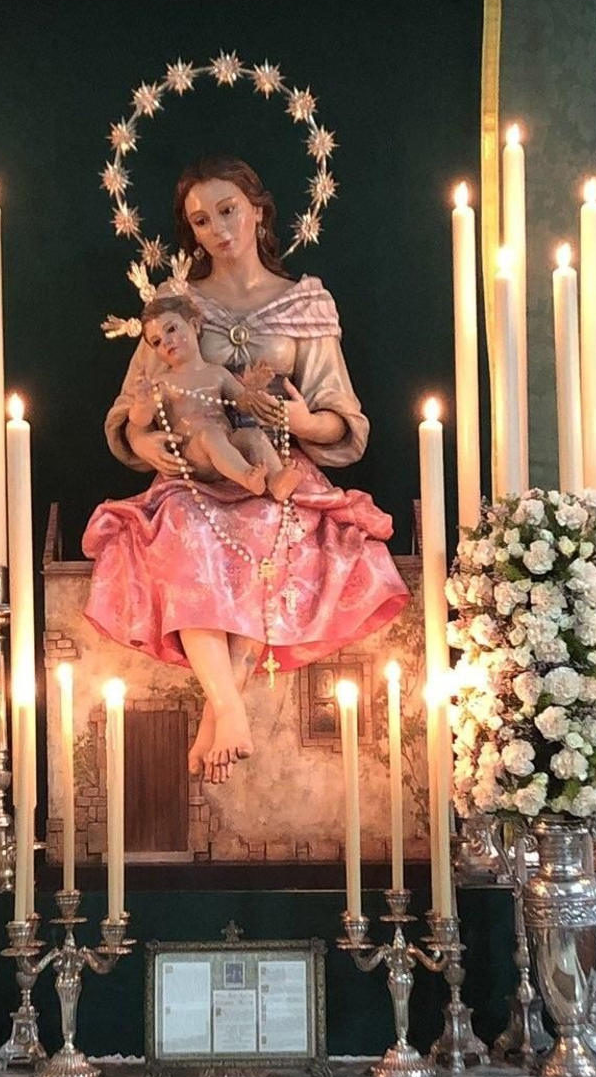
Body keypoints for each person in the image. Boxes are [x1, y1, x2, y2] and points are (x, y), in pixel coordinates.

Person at [84, 155, 407, 783]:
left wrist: (301, 420)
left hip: (275, 464)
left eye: (228, 210)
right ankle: (230, 710)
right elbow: (132, 406)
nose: (218, 228)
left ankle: (221, 712)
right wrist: (144, 441)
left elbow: (345, 420)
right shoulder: (175, 307)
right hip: (194, 475)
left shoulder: (304, 304)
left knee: (272, 530)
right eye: (201, 220)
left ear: (258, 210)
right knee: (183, 529)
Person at [127, 289, 302, 501]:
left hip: (228, 444)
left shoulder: (218, 373)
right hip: (195, 455)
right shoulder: (163, 383)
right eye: (156, 342)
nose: (166, 341)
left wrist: (252, 390)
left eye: (171, 329)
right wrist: (142, 404)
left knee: (252, 435)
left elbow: (241, 404)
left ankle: (276, 481)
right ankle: (247, 477)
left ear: (194, 326)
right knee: (209, 435)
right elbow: (140, 420)